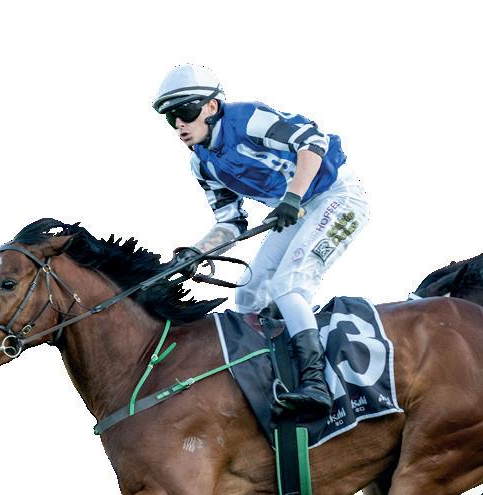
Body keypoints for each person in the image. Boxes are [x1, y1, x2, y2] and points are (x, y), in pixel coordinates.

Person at [152, 64, 369, 416]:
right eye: (170, 118)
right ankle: (266, 378)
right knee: (248, 294)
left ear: (211, 106)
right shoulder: (202, 165)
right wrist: (196, 253)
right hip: (297, 211)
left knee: (287, 285)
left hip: (338, 198)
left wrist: (292, 196)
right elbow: (231, 222)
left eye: (186, 112)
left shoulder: (248, 119)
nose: (179, 124)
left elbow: (313, 142)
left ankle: (316, 384)